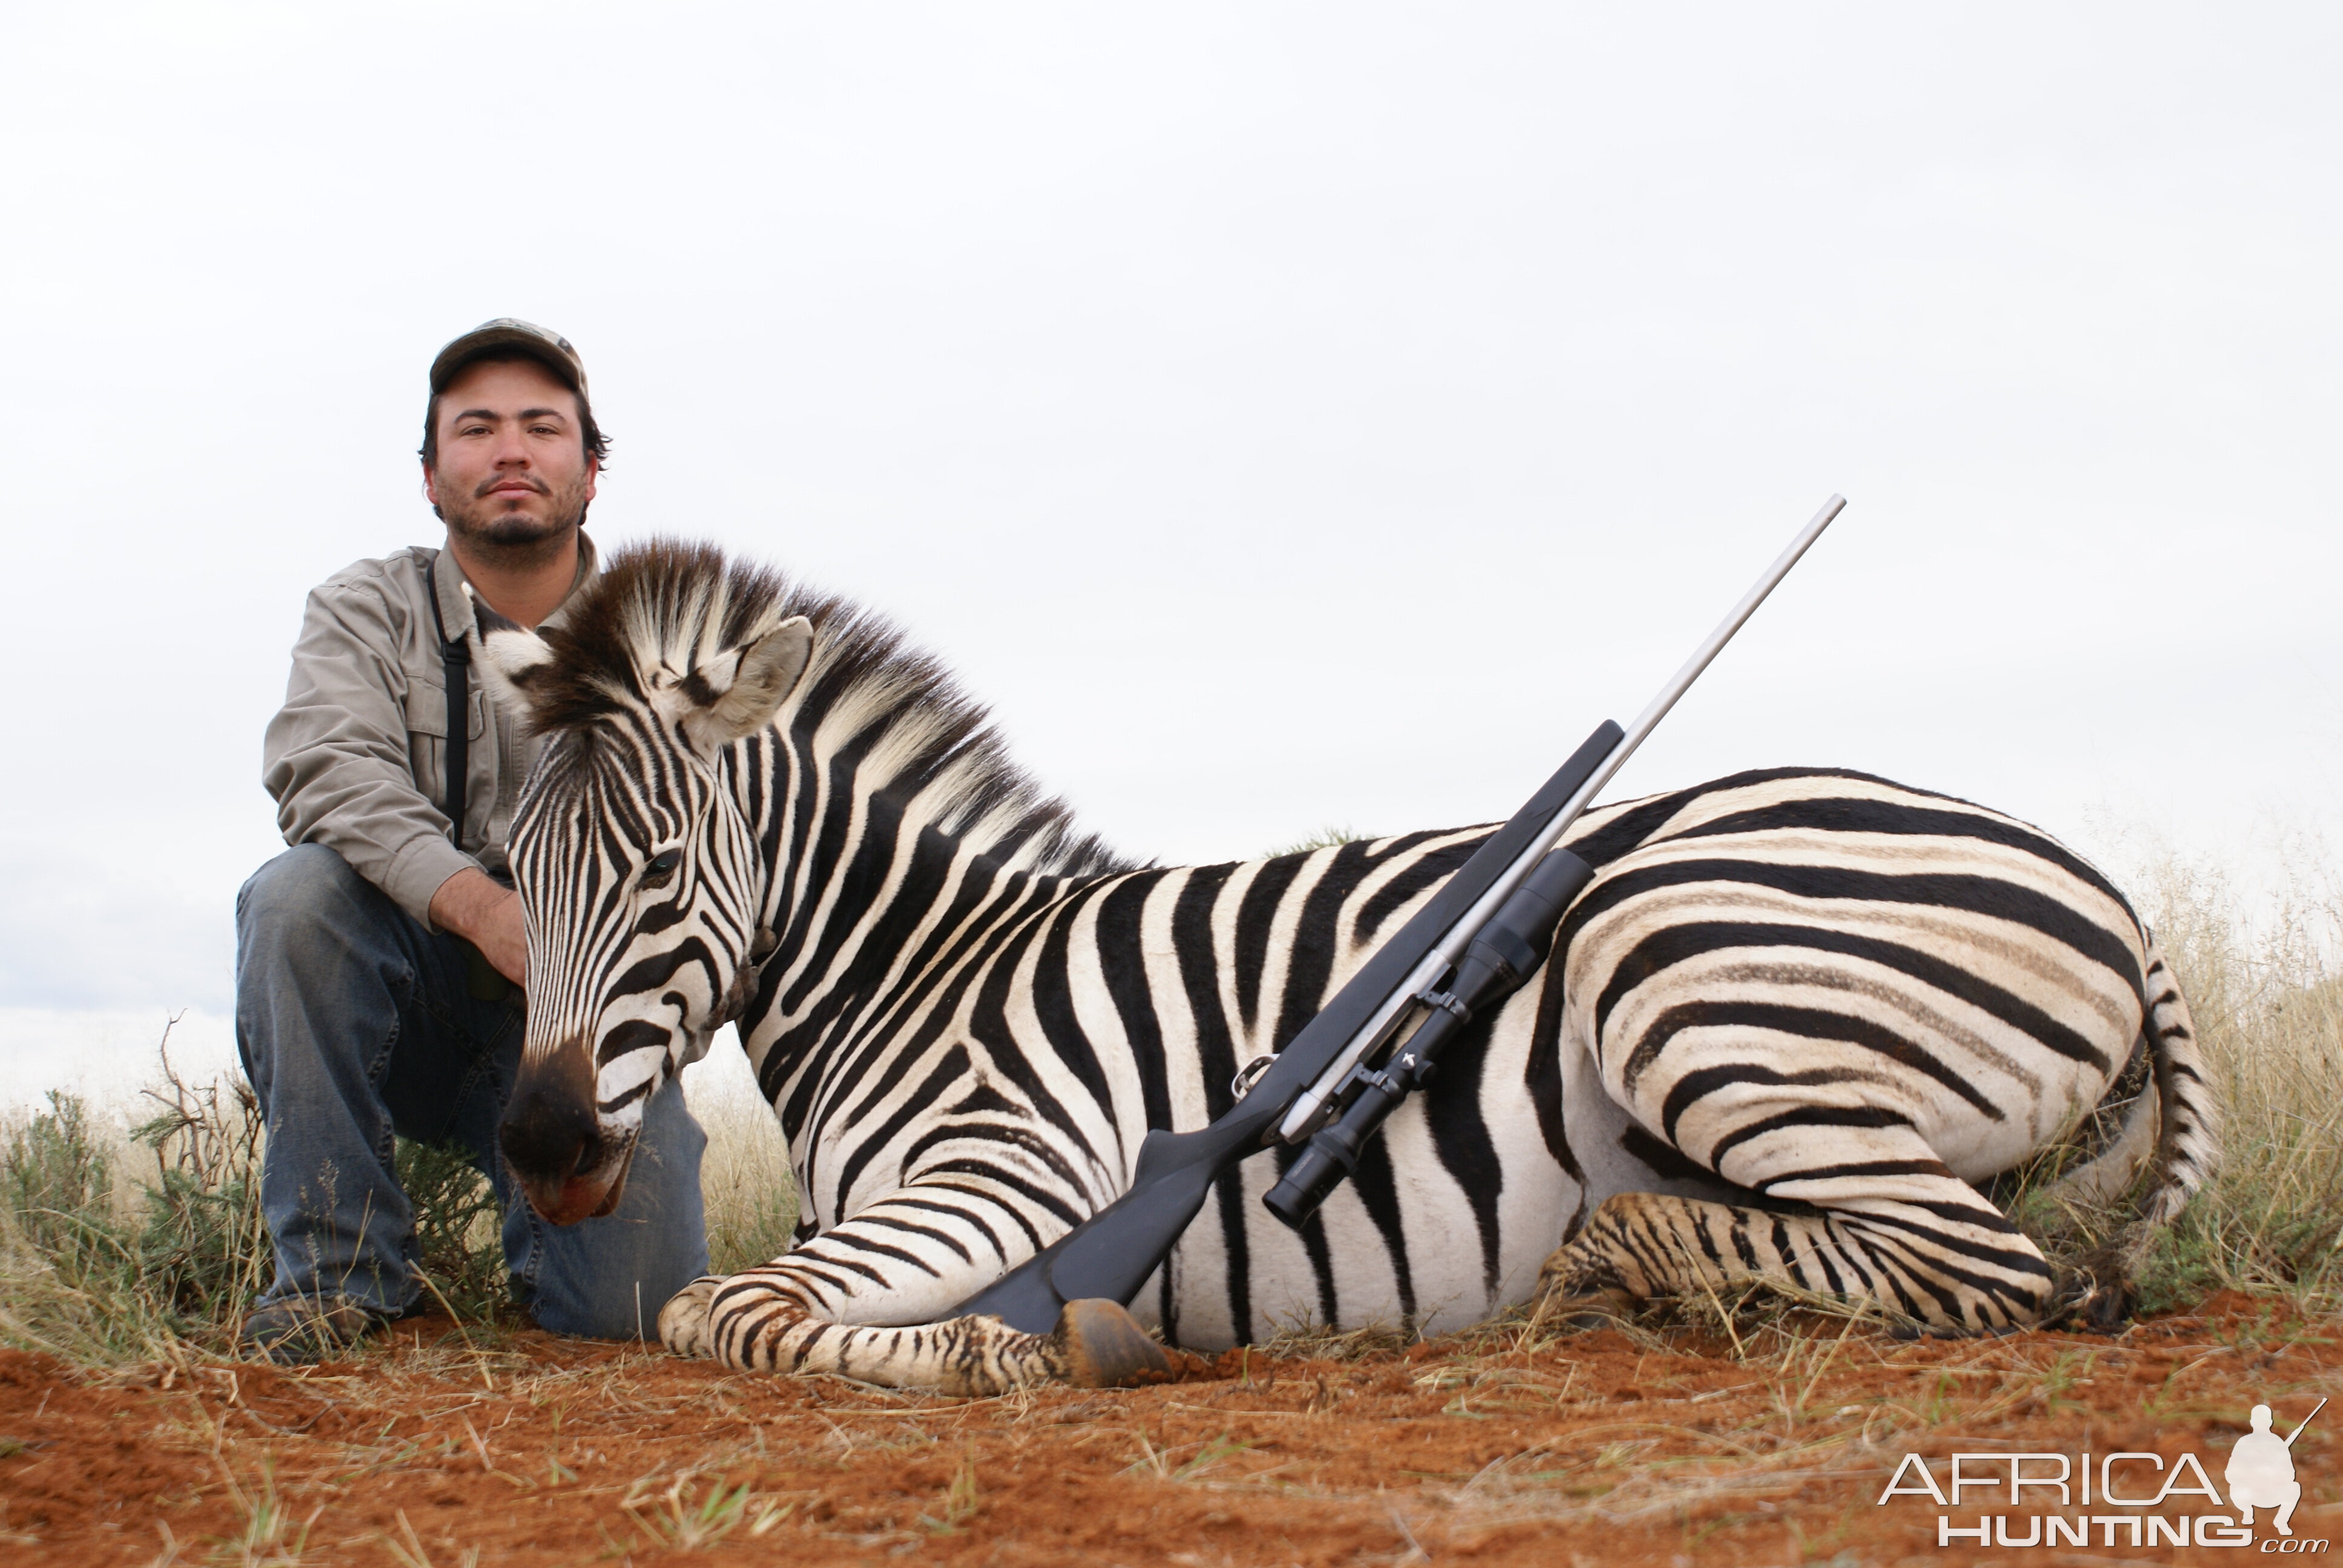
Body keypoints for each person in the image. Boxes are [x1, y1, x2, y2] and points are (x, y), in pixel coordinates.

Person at [235, 319, 709, 1363]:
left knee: (635, 1317)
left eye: (543, 428)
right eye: (475, 428)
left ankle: (547, 1263)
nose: (510, 451)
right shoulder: (363, 607)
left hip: (585, 1038)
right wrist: (485, 909)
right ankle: (339, 1275)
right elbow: (326, 770)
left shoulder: (669, 648)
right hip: (405, 1003)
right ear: (429, 474)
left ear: (590, 470)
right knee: (295, 899)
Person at [2227, 1403, 2304, 1537]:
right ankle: (2247, 1512)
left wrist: (2273, 1473)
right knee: (2235, 1487)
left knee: (2295, 1487)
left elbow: (2290, 1474)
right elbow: (2231, 1473)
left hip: (2271, 1494)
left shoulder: (2277, 1443)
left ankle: (2281, 1521)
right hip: (2249, 1493)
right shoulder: (2244, 1442)